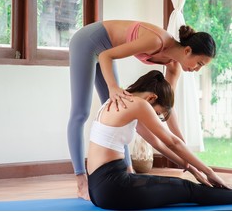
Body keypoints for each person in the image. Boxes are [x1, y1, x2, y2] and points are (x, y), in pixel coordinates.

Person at [87, 70, 232, 210]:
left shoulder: (119, 100)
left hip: (100, 187)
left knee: (184, 184)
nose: (154, 117)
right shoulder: (138, 104)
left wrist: (191, 168)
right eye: (158, 113)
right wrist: (208, 171)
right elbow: (173, 142)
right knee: (186, 188)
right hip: (113, 187)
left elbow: (158, 144)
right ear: (152, 98)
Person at [67, 20, 217, 200]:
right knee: (80, 113)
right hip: (89, 40)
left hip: (107, 49)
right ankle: (81, 181)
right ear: (187, 51)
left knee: (120, 109)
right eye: (199, 63)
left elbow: (167, 107)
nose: (197, 69)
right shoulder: (157, 41)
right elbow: (106, 56)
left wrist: (182, 147)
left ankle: (128, 169)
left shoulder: (174, 67)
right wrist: (113, 87)